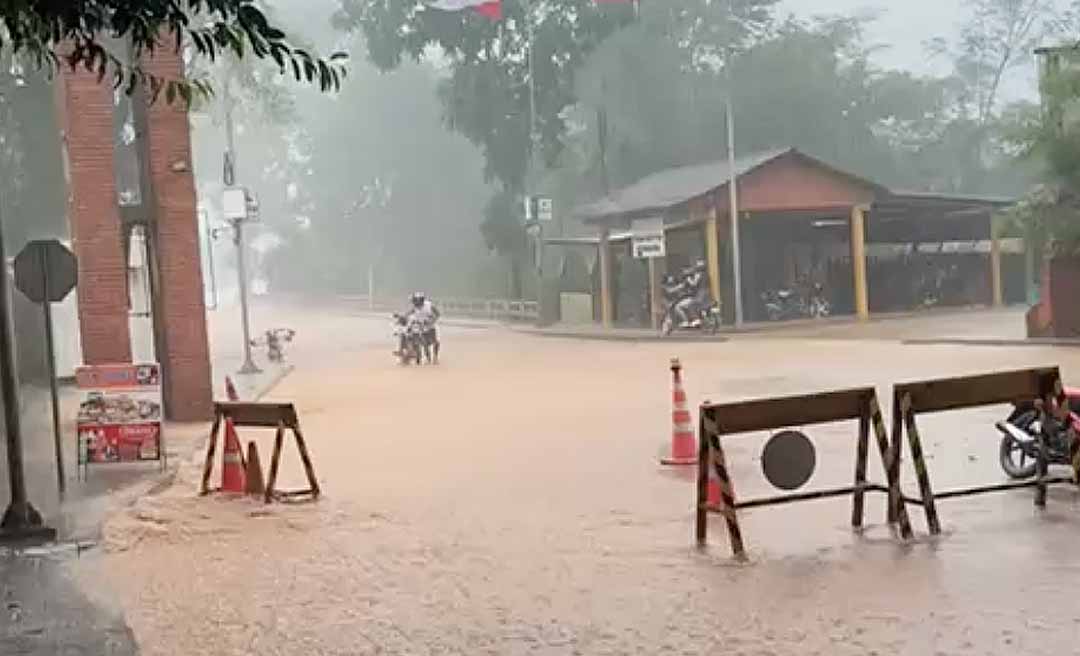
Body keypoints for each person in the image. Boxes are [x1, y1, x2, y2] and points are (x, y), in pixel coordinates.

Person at [407, 292, 441, 363]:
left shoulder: (429, 305)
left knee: (435, 342)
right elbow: (409, 313)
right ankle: (424, 357)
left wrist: (432, 320)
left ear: (421, 300)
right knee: (423, 343)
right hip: (420, 326)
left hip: (430, 326)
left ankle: (435, 356)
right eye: (414, 301)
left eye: (417, 301)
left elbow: (437, 314)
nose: (416, 303)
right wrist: (403, 318)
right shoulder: (414, 307)